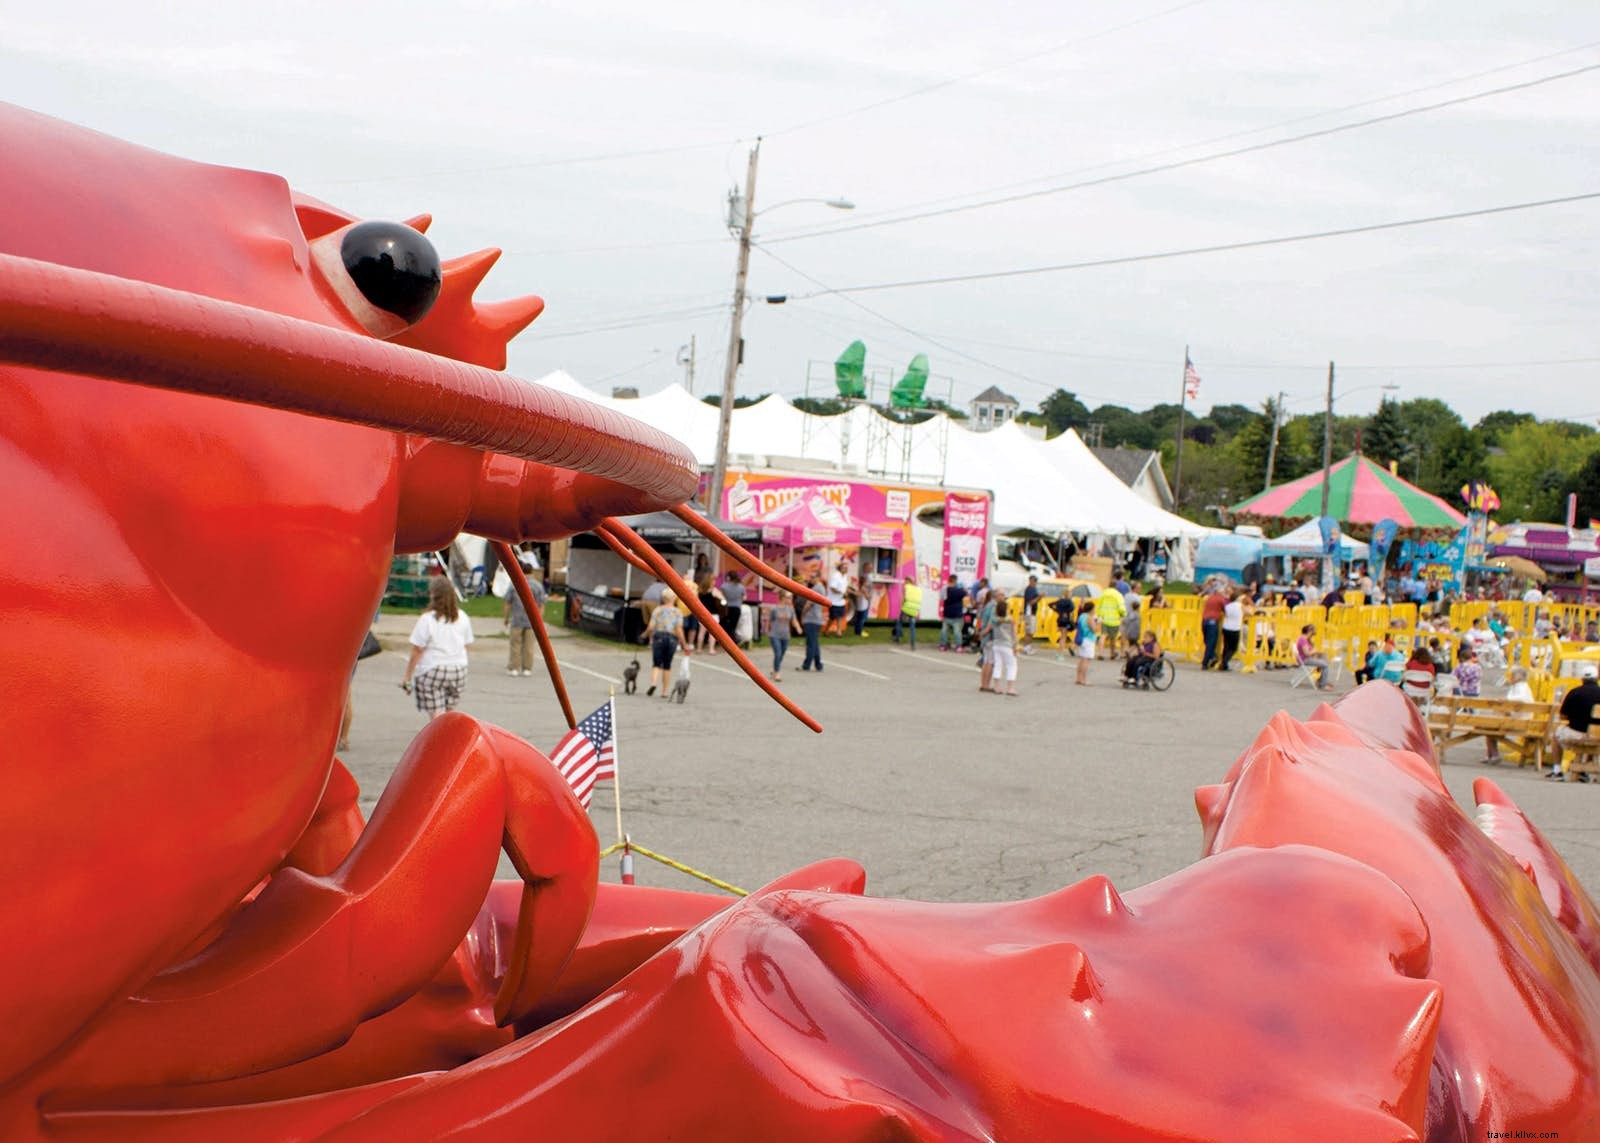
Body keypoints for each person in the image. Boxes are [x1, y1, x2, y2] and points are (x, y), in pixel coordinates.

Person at [401, 576, 475, 719]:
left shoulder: (427, 619)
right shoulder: (463, 617)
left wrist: (408, 676)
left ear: (433, 595)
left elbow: (417, 649)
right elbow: (467, 644)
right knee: (450, 710)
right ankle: (450, 735)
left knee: (437, 714)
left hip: (433, 668)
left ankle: (441, 737)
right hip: (458, 669)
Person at [1550, 667, 1600, 780]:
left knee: (1556, 734)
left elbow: (1563, 716)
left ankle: (1557, 770)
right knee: (1594, 734)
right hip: (1598, 736)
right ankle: (1584, 771)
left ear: (1582, 679)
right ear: (1596, 678)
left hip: (1577, 733)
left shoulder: (1574, 692)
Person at [502, 558, 546, 678]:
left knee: (515, 645)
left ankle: (514, 668)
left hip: (517, 619)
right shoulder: (538, 586)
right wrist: (539, 620)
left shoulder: (515, 584)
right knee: (529, 646)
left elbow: (507, 603)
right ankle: (527, 668)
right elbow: (541, 604)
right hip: (532, 621)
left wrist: (506, 618)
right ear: (532, 571)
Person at [642, 588, 683, 697]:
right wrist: (684, 643)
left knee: (656, 663)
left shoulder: (657, 610)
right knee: (667, 665)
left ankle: (653, 682)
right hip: (671, 638)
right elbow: (679, 629)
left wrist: (645, 635)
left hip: (658, 637)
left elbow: (651, 626)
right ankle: (664, 691)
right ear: (674, 598)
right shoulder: (677, 612)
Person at [986, 589, 1019, 696]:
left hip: (997, 644)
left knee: (998, 665)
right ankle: (1010, 688)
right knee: (1011, 665)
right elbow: (1014, 634)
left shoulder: (995, 620)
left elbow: (992, 623)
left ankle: (997, 687)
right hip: (1007, 645)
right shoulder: (1010, 620)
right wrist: (1015, 646)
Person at [767, 590, 800, 681]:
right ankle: (777, 673)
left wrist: (798, 627)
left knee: (781, 654)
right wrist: (768, 631)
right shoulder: (775, 609)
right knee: (777, 653)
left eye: (791, 598)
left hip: (785, 636)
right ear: (782, 598)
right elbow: (770, 621)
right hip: (775, 635)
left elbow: (794, 620)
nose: (790, 599)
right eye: (788, 597)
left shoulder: (791, 609)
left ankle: (774, 669)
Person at [1294, 624, 1334, 692]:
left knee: (1323, 659)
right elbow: (1307, 653)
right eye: (1313, 631)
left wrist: (1317, 653)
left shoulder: (1306, 639)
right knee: (1325, 665)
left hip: (1306, 659)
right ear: (1309, 631)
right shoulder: (1302, 640)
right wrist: (1314, 651)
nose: (1314, 633)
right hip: (1305, 660)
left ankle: (1321, 681)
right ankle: (1323, 685)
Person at [800, 578, 827, 672]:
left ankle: (806, 664)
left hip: (811, 619)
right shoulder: (822, 588)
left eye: (813, 577)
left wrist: (802, 615)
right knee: (814, 642)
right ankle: (818, 664)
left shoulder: (816, 588)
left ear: (818, 577)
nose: (810, 579)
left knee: (811, 643)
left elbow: (809, 604)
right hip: (817, 618)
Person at [1096, 584, 1127, 661]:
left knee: (1103, 635)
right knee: (1113, 638)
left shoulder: (1103, 594)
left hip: (1104, 618)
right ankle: (1112, 654)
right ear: (1116, 587)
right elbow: (1121, 607)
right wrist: (1124, 614)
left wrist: (1099, 615)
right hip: (1114, 620)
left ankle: (1100, 653)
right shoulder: (1118, 595)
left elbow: (1099, 606)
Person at [1074, 599, 1099, 687]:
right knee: (1086, 660)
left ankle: (1078, 678)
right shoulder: (1089, 618)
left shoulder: (1082, 616)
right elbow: (1094, 629)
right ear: (1091, 609)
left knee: (1081, 659)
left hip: (1082, 639)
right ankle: (1083, 679)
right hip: (1089, 639)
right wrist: (1099, 623)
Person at [1200, 584, 1226, 670]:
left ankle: (1213, 656)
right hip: (1213, 621)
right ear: (1219, 592)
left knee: (1207, 641)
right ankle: (1205, 662)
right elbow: (1225, 609)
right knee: (1211, 643)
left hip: (1204, 620)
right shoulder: (1220, 600)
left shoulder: (1209, 598)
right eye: (1223, 592)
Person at [694, 574, 722, 652]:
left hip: (703, 614)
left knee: (701, 632)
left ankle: (699, 649)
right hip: (713, 614)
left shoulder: (700, 591)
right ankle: (711, 649)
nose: (715, 582)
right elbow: (722, 598)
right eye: (714, 580)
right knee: (712, 633)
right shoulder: (714, 591)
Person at [893, 575, 923, 649]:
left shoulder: (906, 587)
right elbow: (919, 600)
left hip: (906, 608)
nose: (904, 582)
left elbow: (904, 598)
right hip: (915, 609)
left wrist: (902, 607)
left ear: (909, 581)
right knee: (912, 627)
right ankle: (913, 644)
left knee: (899, 622)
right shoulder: (918, 589)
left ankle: (897, 638)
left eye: (905, 581)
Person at [1219, 589, 1245, 672]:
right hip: (1235, 628)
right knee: (1233, 648)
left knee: (1226, 646)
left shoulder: (1228, 606)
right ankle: (1225, 661)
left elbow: (1225, 613)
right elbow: (1248, 612)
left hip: (1226, 626)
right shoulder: (1240, 605)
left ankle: (1224, 663)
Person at [939, 575, 965, 651]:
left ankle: (943, 645)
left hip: (947, 613)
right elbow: (965, 594)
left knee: (944, 631)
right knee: (957, 631)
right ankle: (959, 646)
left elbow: (942, 598)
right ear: (955, 581)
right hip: (957, 615)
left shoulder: (945, 589)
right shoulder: (959, 591)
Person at [825, 561, 851, 636]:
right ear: (840, 568)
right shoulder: (835, 576)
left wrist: (849, 592)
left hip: (841, 601)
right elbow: (832, 588)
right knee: (832, 617)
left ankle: (839, 632)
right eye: (844, 568)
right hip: (833, 601)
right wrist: (842, 592)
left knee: (840, 616)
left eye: (846, 568)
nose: (846, 569)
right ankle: (827, 630)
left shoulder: (845, 576)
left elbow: (846, 587)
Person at [721, 572, 747, 647]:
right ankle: (733, 641)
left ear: (728, 577)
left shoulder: (724, 586)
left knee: (727, 625)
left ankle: (729, 641)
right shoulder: (741, 587)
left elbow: (721, 596)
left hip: (727, 608)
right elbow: (744, 597)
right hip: (737, 608)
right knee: (733, 626)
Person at [1051, 593, 1076, 659]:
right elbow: (1073, 608)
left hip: (1059, 619)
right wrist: (1065, 612)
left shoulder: (1060, 601)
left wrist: (1058, 611)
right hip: (1065, 620)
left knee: (1062, 636)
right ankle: (1060, 654)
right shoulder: (1069, 601)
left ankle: (1059, 652)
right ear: (1068, 595)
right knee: (1063, 638)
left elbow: (1050, 604)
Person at [1021, 575, 1040, 655]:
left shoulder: (1034, 589)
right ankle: (1026, 647)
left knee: (1031, 631)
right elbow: (1030, 602)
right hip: (1029, 612)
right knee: (1029, 631)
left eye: (1035, 581)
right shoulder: (1029, 589)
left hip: (1033, 612)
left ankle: (1028, 646)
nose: (1035, 582)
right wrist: (1039, 597)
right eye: (1033, 581)